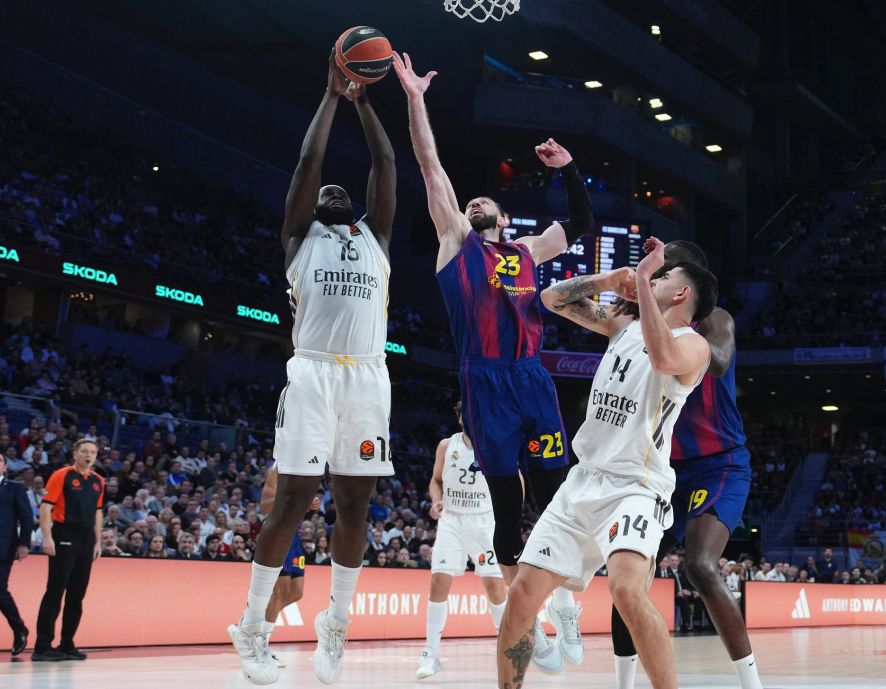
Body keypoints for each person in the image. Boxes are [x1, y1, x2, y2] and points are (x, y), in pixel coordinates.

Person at [393, 50, 594, 671]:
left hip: (531, 376)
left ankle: (564, 608)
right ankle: (532, 626)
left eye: (486, 200)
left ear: (504, 219)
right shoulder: (457, 243)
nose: (475, 201)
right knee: (507, 506)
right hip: (483, 381)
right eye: (470, 200)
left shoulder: (529, 250)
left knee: (554, 493)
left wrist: (569, 168)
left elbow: (582, 222)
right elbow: (430, 167)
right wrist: (416, 100)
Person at [232, 45, 396, 687]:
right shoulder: (300, 238)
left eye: (340, 191)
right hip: (313, 372)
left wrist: (365, 101)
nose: (332, 188)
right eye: (326, 190)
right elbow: (308, 162)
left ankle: (337, 623)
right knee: (294, 499)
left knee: (355, 505)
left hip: (369, 377)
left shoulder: (376, 238)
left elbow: (384, 163)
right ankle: (252, 625)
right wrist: (332, 94)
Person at [497, 237, 716, 689]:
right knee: (521, 593)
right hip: (583, 480)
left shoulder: (693, 345)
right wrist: (610, 280)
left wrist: (642, 275)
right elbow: (551, 299)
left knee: (625, 589)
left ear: (681, 293)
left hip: (636, 486)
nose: (653, 278)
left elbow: (663, 359)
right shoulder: (622, 323)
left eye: (664, 276)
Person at [609, 239, 763, 689]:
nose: (656, 274)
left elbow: (719, 362)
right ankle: (624, 684)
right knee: (629, 570)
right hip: (663, 469)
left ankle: (752, 685)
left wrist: (670, 331)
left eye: (665, 269)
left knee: (699, 565)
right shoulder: (640, 322)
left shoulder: (714, 320)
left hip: (719, 464)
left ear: (687, 281)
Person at [417, 402, 507, 679]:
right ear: (459, 418)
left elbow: (514, 480)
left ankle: (507, 648)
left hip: (483, 522)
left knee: (494, 587)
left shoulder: (494, 444)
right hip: (452, 521)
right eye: (464, 414)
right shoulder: (447, 446)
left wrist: (509, 516)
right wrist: (436, 501)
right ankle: (430, 654)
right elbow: (435, 481)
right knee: (438, 582)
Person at [229, 465, 321, 670]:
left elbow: (300, 503)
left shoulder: (307, 467)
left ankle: (245, 626)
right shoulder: (277, 469)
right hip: (279, 530)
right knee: (279, 592)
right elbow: (264, 506)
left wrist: (311, 503)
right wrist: (300, 501)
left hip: (294, 535)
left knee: (295, 592)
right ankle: (259, 646)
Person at [33, 439, 104, 661]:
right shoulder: (61, 475)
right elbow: (46, 507)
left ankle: (67, 644)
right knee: (55, 591)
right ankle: (42, 646)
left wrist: (98, 542)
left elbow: (98, 512)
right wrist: (47, 537)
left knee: (77, 593)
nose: (89, 455)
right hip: (64, 534)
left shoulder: (98, 480)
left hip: (86, 538)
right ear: (75, 454)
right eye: (84, 451)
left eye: (92, 452)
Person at [0, 452, 32, 656]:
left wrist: (24, 543)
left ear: (5, 467)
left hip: (3, 547)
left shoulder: (14, 488)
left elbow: (26, 517)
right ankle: (20, 629)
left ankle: (19, 628)